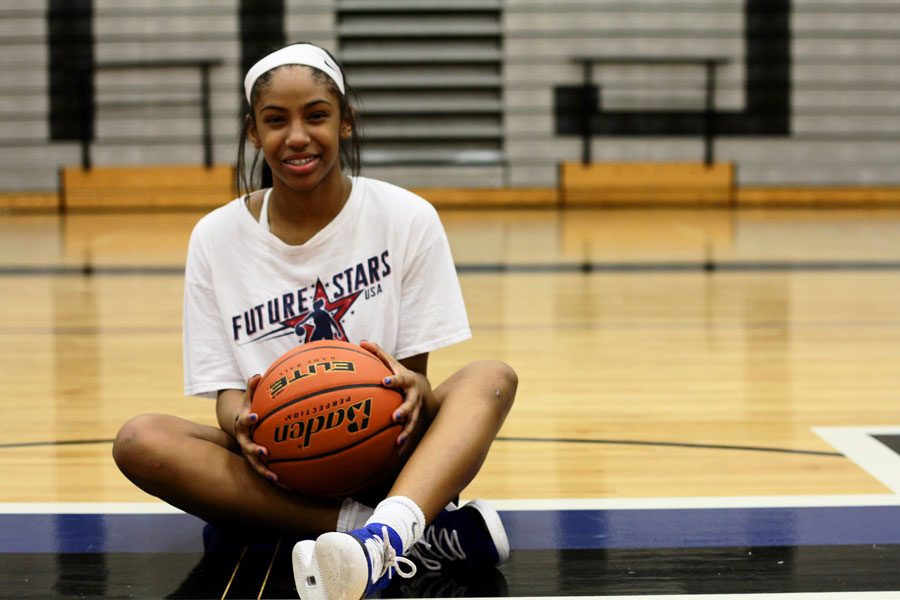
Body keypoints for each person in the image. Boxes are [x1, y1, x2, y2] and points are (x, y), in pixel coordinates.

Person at [112, 42, 517, 600]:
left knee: (490, 377)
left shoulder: (407, 218)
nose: (296, 136)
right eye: (275, 120)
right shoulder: (216, 237)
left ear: (345, 121)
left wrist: (408, 388)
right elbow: (228, 395)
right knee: (140, 440)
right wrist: (244, 428)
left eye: (316, 115)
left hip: (386, 446)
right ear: (253, 132)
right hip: (279, 459)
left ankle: (383, 529)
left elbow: (418, 379)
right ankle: (382, 537)